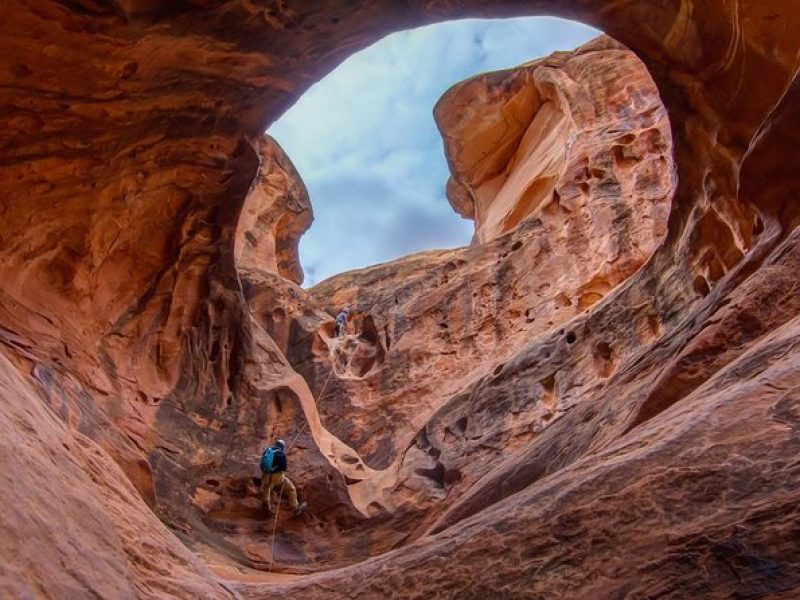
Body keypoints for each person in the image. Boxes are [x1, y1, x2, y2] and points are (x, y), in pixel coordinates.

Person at [260, 438, 306, 516]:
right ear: (282, 447)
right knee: (290, 488)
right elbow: (284, 467)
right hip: (277, 477)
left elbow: (262, 463)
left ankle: (266, 506)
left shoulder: (267, 451)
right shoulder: (281, 454)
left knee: (266, 487)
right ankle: (295, 508)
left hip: (266, 475)